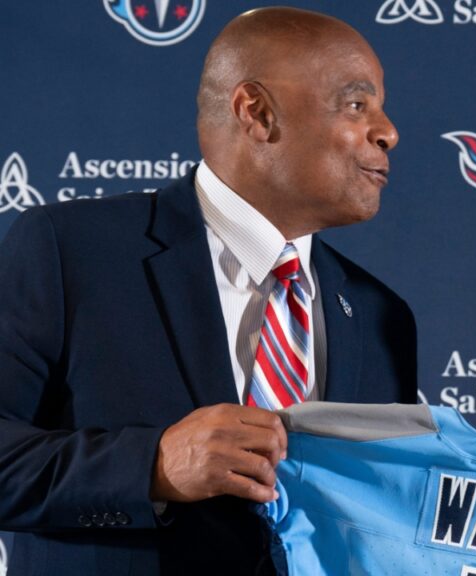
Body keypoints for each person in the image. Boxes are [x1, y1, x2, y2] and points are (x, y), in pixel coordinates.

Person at [0, 7, 416, 575]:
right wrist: (154, 467)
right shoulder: (68, 250)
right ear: (258, 112)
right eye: (356, 104)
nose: (387, 131)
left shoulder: (379, 314)